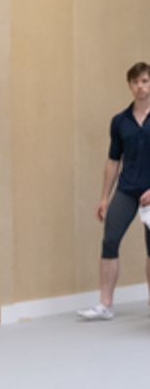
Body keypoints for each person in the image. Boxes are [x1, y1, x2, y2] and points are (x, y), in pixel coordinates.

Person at [76, 61, 150, 321]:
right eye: (136, 82)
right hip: (128, 190)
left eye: (145, 81)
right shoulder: (120, 121)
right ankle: (105, 304)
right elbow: (112, 161)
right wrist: (104, 197)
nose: (140, 87)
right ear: (129, 86)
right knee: (109, 241)